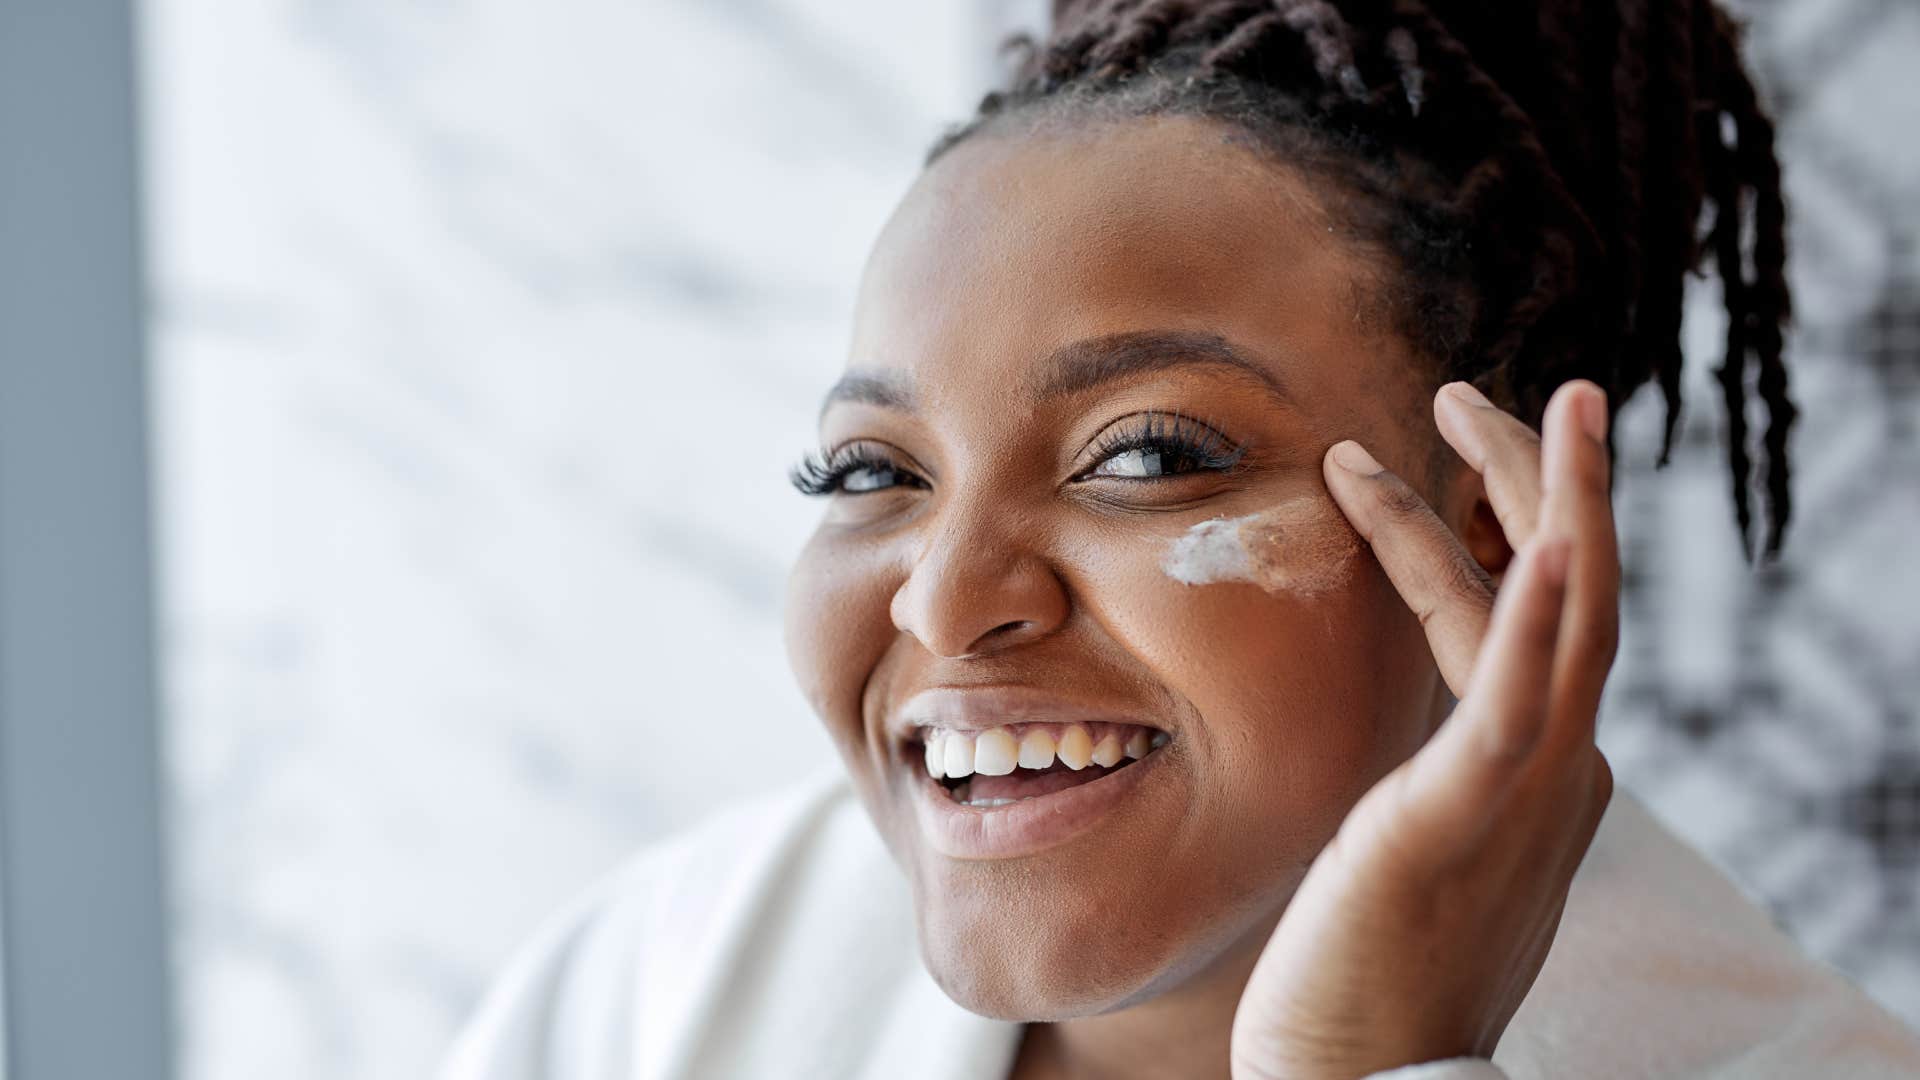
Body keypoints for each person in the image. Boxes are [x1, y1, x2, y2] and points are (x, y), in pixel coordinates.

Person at [438, 1, 1920, 1077]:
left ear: (1488, 524)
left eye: (1143, 456)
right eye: (868, 471)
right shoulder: (667, 984)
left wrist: (1373, 1060)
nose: (948, 601)